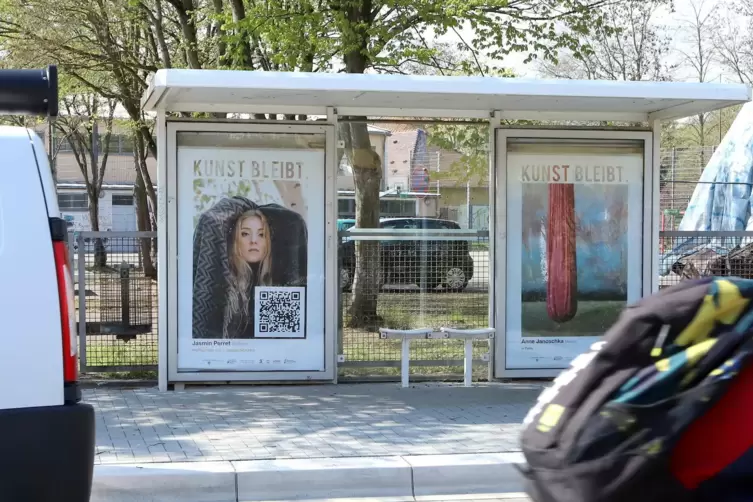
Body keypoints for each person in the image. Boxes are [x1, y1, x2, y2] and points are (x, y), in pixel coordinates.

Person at [223, 208, 273, 338]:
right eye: (245, 234)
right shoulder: (224, 285)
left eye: (261, 234)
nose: (253, 241)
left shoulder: (276, 283)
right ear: (235, 240)